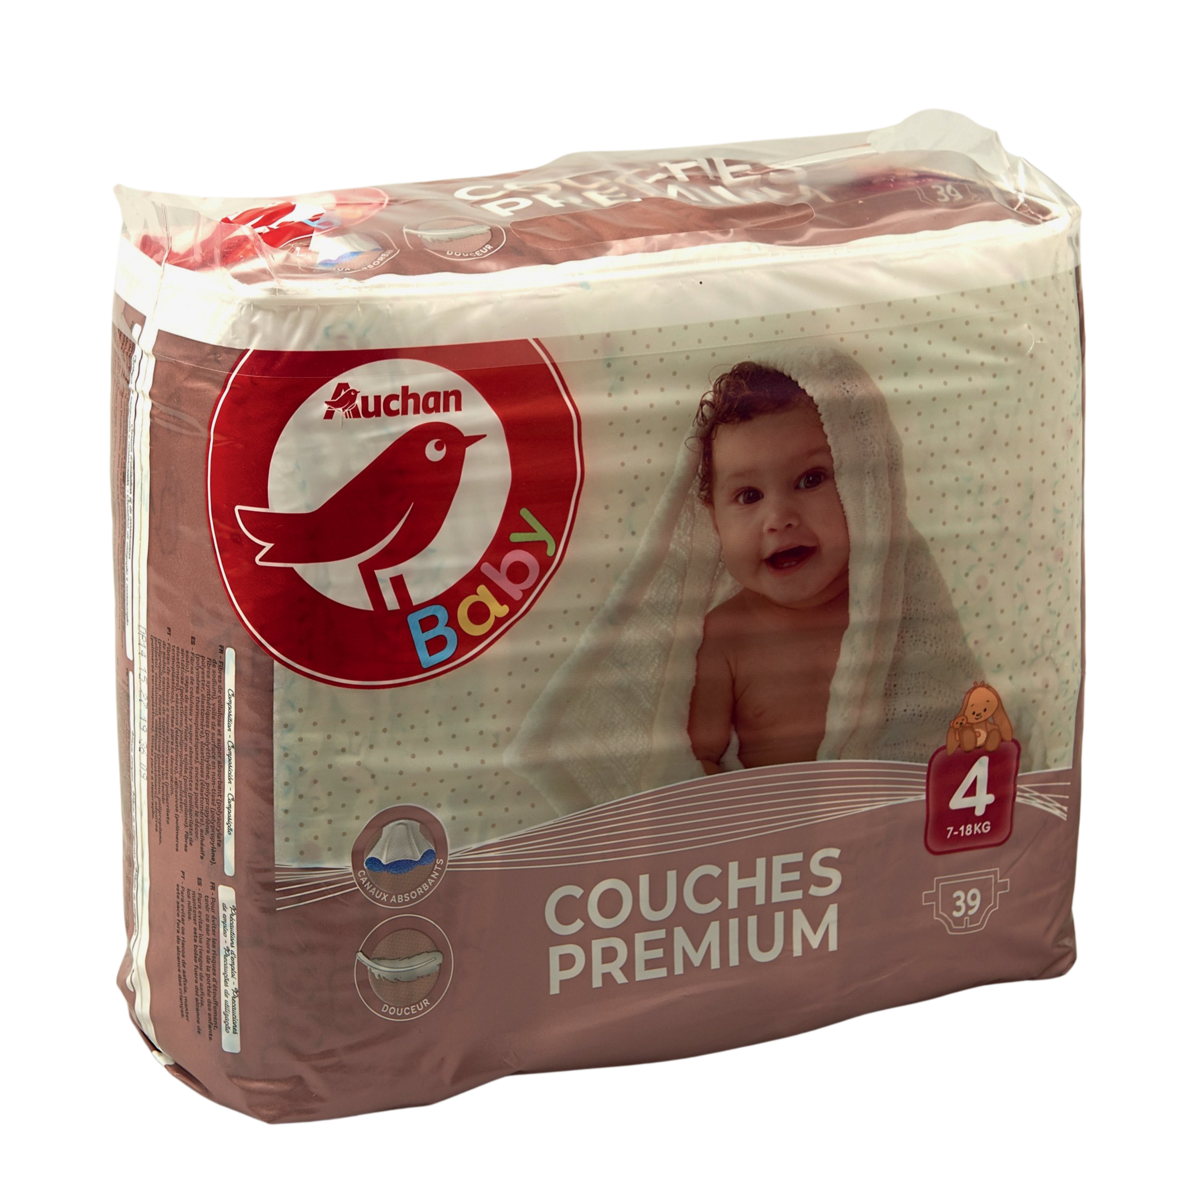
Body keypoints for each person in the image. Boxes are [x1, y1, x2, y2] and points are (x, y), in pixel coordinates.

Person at [688, 362, 851, 772]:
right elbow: (693, 762)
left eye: (810, 479)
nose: (779, 518)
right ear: (715, 521)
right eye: (749, 495)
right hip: (785, 813)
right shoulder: (725, 635)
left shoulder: (900, 602)